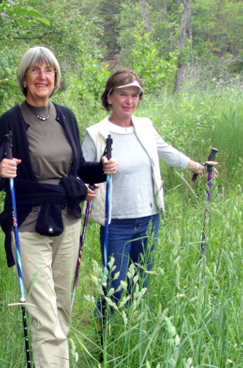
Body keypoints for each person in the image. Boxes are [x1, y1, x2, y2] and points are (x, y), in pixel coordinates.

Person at [0, 46, 116, 368]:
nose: (43, 76)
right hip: (29, 227)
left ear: (56, 77)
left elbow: (72, 170)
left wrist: (97, 171)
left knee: (63, 310)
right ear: (24, 78)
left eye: (50, 70)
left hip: (68, 223)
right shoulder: (10, 121)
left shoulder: (66, 117)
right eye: (35, 70)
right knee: (45, 316)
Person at [82, 69, 217, 320]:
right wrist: (86, 187)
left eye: (135, 95)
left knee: (140, 281)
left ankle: (134, 332)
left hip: (149, 218)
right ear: (109, 97)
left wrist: (198, 167)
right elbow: (80, 171)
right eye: (123, 94)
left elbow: (166, 151)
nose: (129, 101)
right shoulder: (96, 133)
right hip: (116, 223)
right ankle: (103, 338)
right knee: (114, 285)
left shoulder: (145, 126)